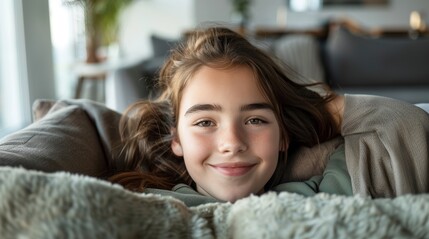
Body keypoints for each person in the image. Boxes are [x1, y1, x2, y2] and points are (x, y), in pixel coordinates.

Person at [109, 26, 429, 206]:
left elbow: (402, 122)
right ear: (176, 138)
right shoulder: (147, 204)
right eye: (205, 122)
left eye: (255, 120)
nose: (232, 143)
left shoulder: (322, 194)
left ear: (283, 135)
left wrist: (311, 109)